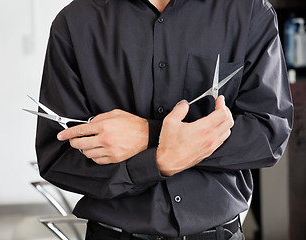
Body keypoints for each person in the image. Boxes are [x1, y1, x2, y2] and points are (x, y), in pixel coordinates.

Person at [35, 0, 293, 239]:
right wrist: (158, 161)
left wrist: (148, 134)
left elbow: (270, 134)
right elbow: (58, 158)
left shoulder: (248, 11)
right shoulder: (75, 21)